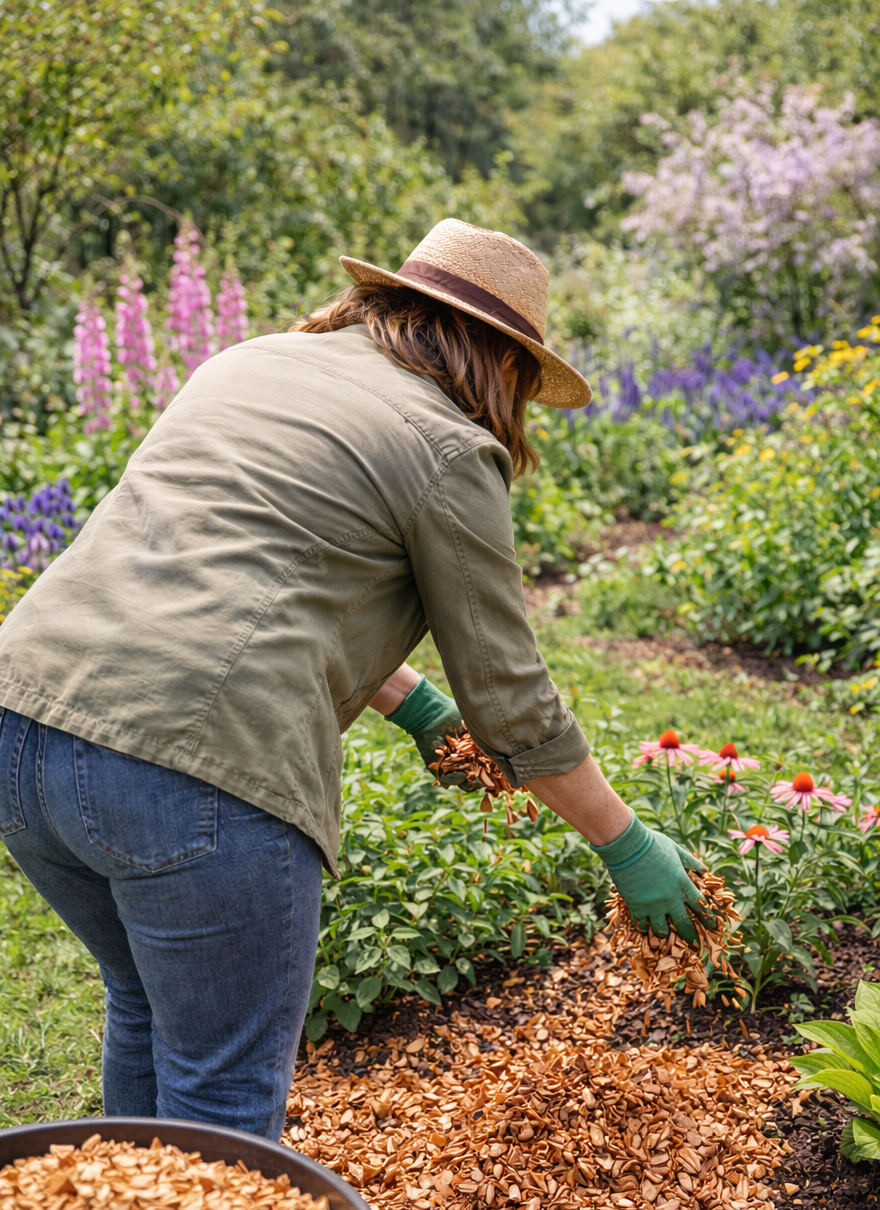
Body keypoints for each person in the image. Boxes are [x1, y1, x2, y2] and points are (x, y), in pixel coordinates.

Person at [0, 219, 711, 1141]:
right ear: (499, 358)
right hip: (195, 772)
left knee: (144, 1005)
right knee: (220, 1098)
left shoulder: (251, 362)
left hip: (22, 726)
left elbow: (246, 565)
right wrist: (627, 846)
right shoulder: (447, 446)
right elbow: (516, 704)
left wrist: (412, 703)